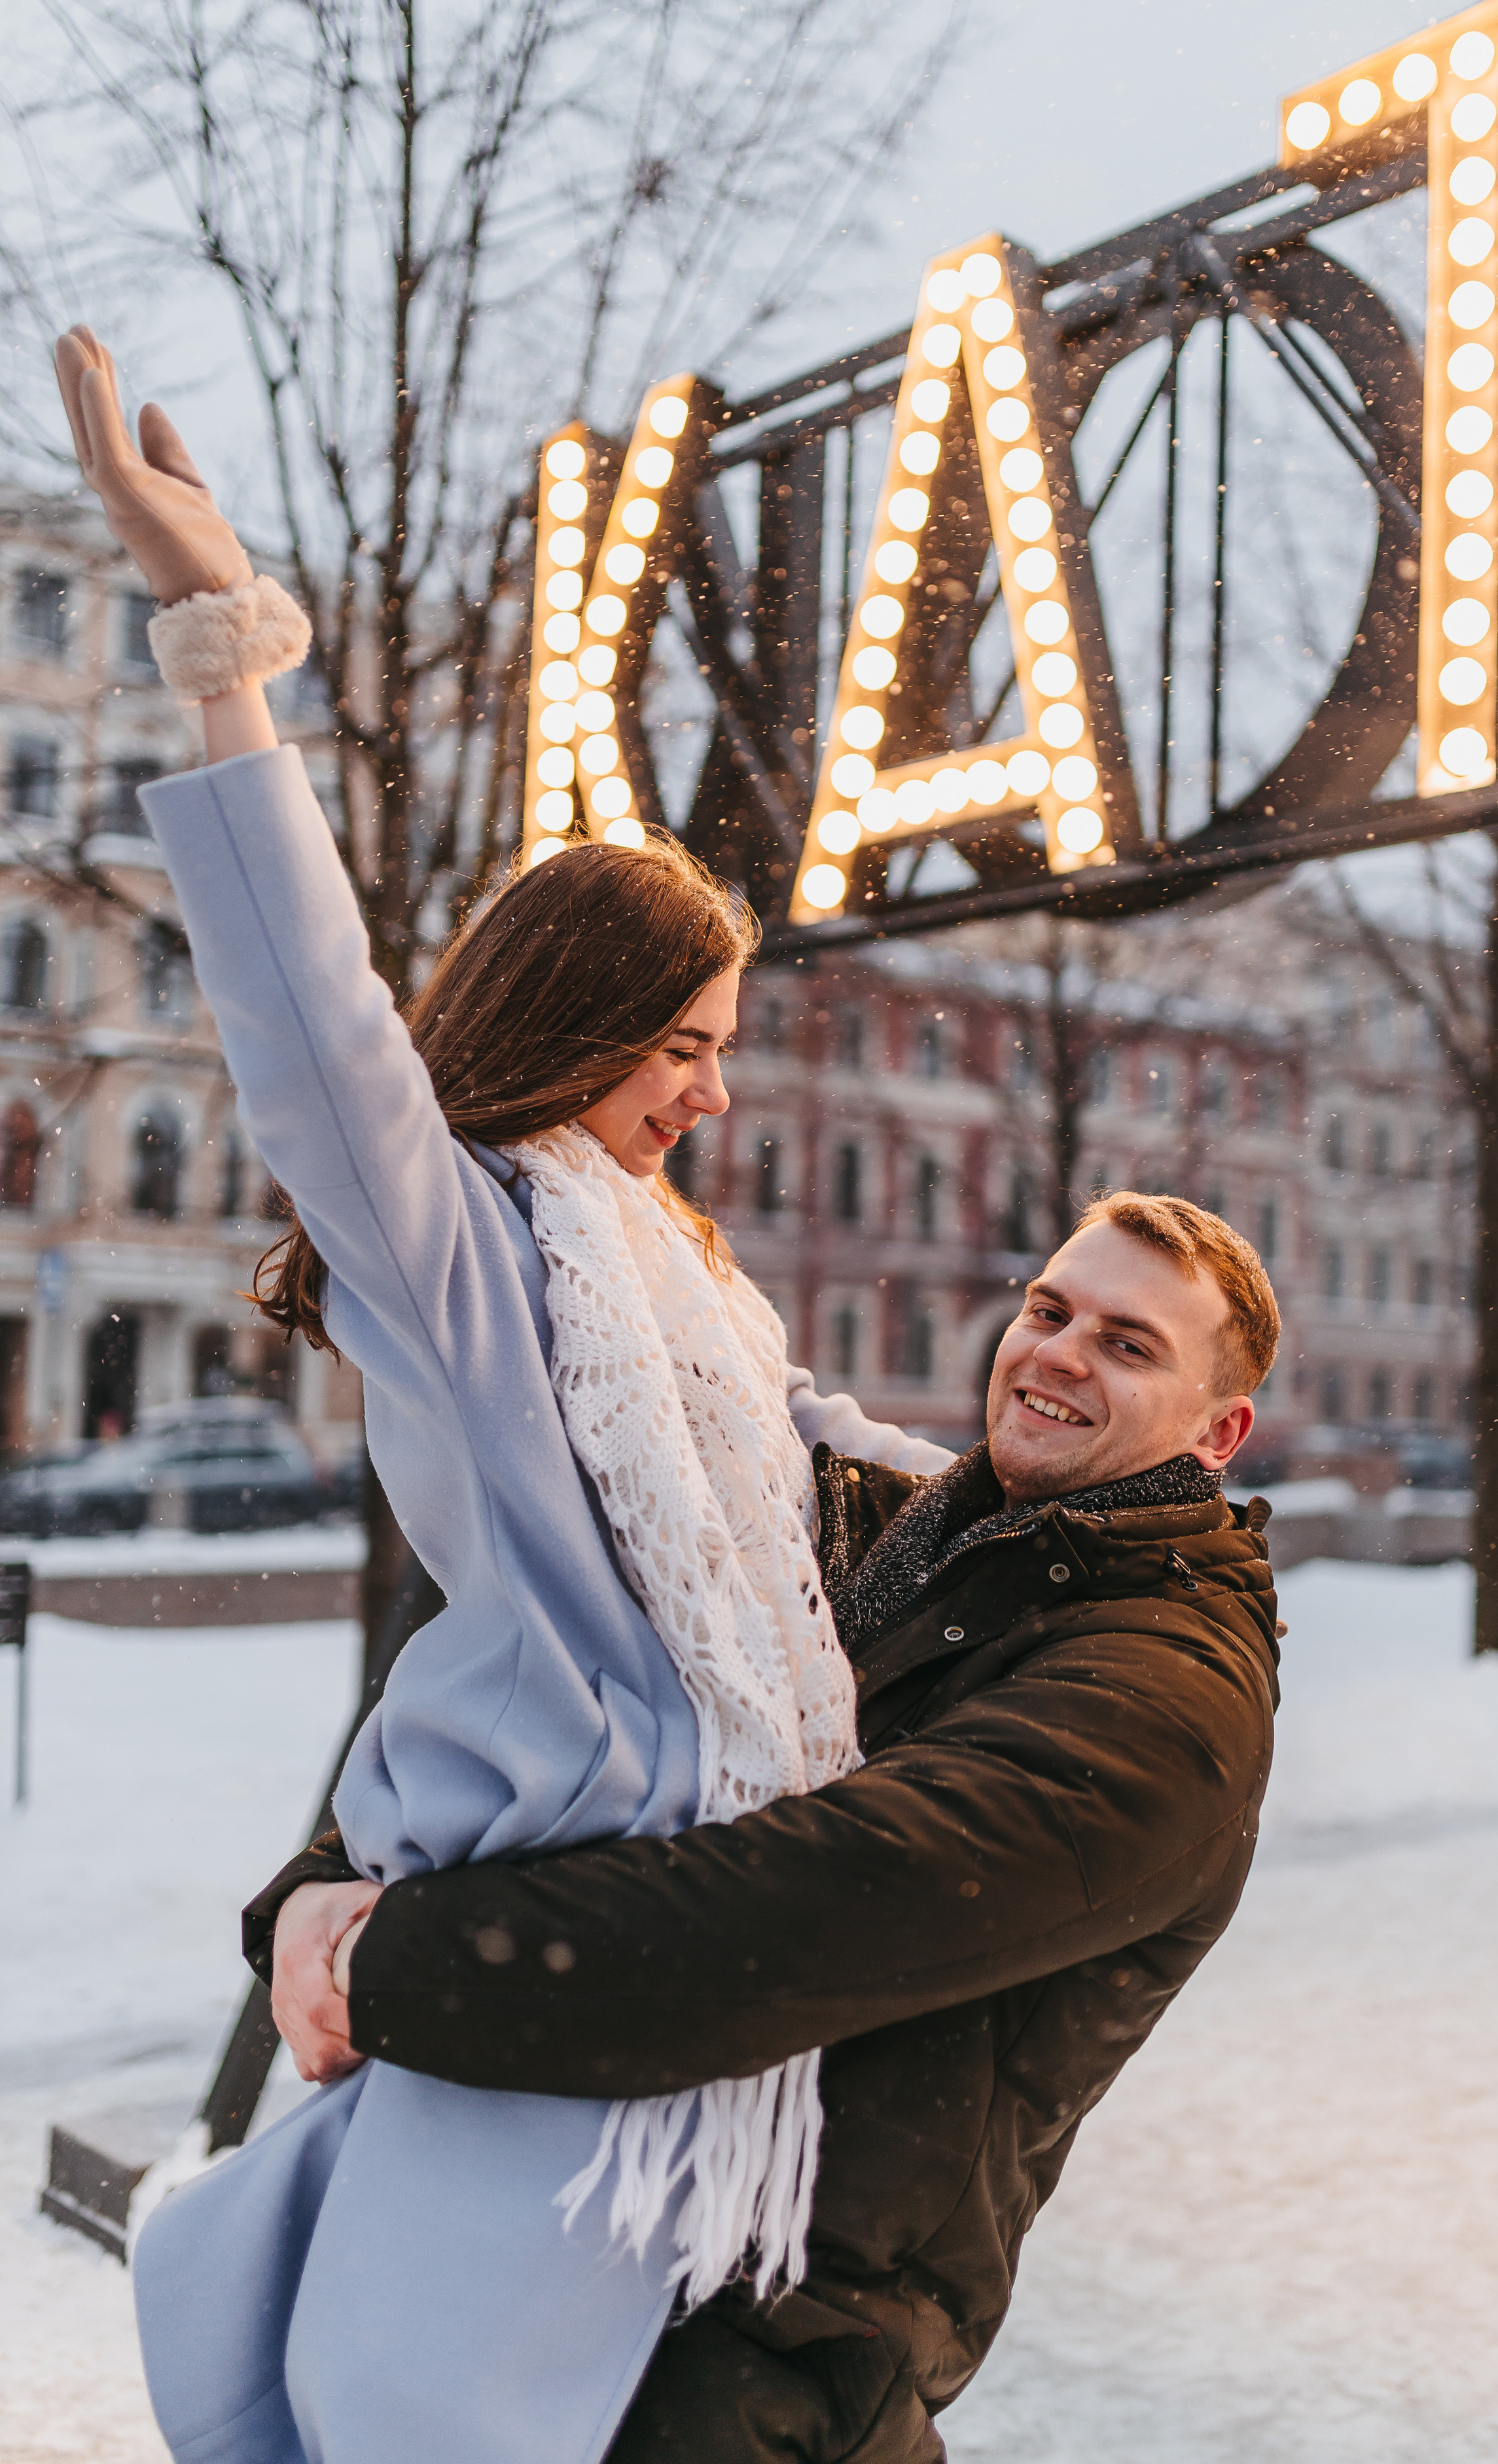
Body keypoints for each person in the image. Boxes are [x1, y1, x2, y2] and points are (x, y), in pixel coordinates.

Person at [51, 324, 954, 2464]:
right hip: (543, 1979)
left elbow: (829, 1473)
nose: (711, 1095)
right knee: (421, 2422)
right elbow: (311, 1029)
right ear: (576, 1019)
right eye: (684, 1043)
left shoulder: (690, 1288)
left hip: (662, 1984)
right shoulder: (469, 1247)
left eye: (727, 1046)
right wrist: (219, 652)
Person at [259, 1189, 1286, 2463]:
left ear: (1220, 1431)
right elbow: (577, 1690)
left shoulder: (1169, 1695)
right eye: (1048, 1309)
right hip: (575, 2288)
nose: (1059, 1354)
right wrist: (330, 1881)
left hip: (766, 2365)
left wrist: (396, 1958)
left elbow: (805, 1909)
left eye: (1128, 1345)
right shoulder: (894, 1528)